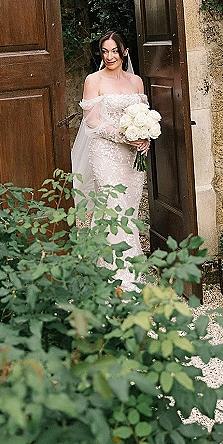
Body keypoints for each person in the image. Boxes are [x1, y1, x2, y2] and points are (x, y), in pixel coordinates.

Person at [71, 30, 150, 288]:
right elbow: (92, 120)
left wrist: (144, 138)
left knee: (129, 211)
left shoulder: (136, 82)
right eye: (105, 51)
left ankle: (129, 272)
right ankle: (115, 278)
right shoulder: (93, 80)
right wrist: (123, 136)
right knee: (112, 210)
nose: (109, 56)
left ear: (124, 51)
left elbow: (144, 115)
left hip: (131, 159)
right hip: (105, 154)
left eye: (114, 50)